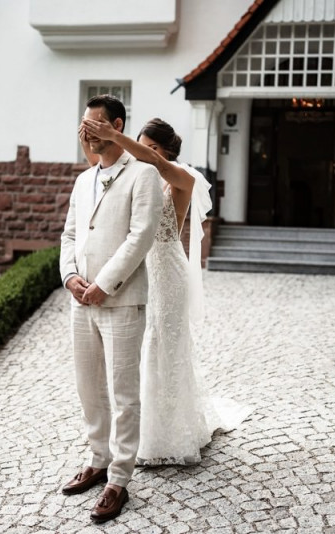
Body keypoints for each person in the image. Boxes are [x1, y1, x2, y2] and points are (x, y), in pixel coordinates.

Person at [80, 116, 251, 466]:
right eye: (141, 145)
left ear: (167, 152)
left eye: (151, 147)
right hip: (139, 268)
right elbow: (101, 174)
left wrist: (116, 135)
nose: (143, 153)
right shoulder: (137, 179)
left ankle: (168, 435)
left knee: (163, 345)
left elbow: (156, 163)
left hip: (167, 271)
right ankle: (136, 432)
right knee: (140, 347)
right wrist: (90, 142)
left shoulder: (182, 178)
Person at [59, 95, 163, 523]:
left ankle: (119, 479)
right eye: (82, 124)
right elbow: (68, 235)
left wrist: (104, 284)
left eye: (94, 124)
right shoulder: (83, 181)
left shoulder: (144, 175)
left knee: (123, 394)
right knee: (89, 388)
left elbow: (141, 237)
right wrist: (70, 278)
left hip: (121, 300)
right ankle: (97, 459)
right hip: (79, 302)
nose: (85, 131)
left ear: (116, 125)